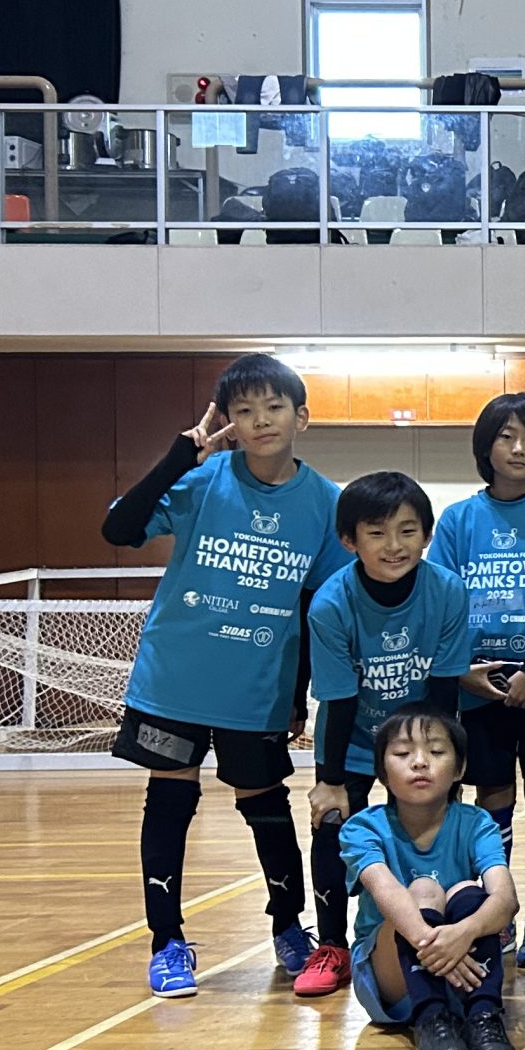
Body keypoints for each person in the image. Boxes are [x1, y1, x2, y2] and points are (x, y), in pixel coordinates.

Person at [102, 353, 349, 1000]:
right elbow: (119, 528)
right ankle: (167, 942)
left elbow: (314, 607)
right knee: (169, 803)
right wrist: (179, 457)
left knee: (265, 806)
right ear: (228, 421)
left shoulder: (326, 504)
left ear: (302, 417)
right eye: (244, 410)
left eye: (273, 407)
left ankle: (288, 927)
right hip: (175, 681)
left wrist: (297, 695)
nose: (260, 420)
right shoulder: (203, 479)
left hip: (256, 688)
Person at [306, 473, 476, 997]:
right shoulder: (331, 605)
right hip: (354, 739)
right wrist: (331, 780)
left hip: (420, 736)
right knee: (332, 828)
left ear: (427, 534)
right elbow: (337, 699)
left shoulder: (447, 591)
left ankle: (450, 929)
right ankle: (332, 945)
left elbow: (444, 688)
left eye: (407, 530)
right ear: (349, 540)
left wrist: (440, 759)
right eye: (377, 533)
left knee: (439, 832)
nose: (394, 545)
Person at [427, 392, 525, 935]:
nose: (520, 449)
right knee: (491, 797)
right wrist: (462, 672)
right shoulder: (458, 519)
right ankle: (495, 913)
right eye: (507, 437)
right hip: (479, 687)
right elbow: (444, 604)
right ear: (486, 445)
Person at [340, 707, 519, 1050]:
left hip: (462, 969)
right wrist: (440, 950)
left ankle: (483, 1016)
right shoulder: (362, 828)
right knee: (422, 889)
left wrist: (464, 934)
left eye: (436, 751)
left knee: (468, 892)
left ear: (459, 769)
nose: (420, 762)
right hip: (392, 977)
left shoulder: (477, 822)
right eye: (402, 753)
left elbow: (505, 900)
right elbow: (385, 889)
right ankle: (430, 1019)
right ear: (382, 771)